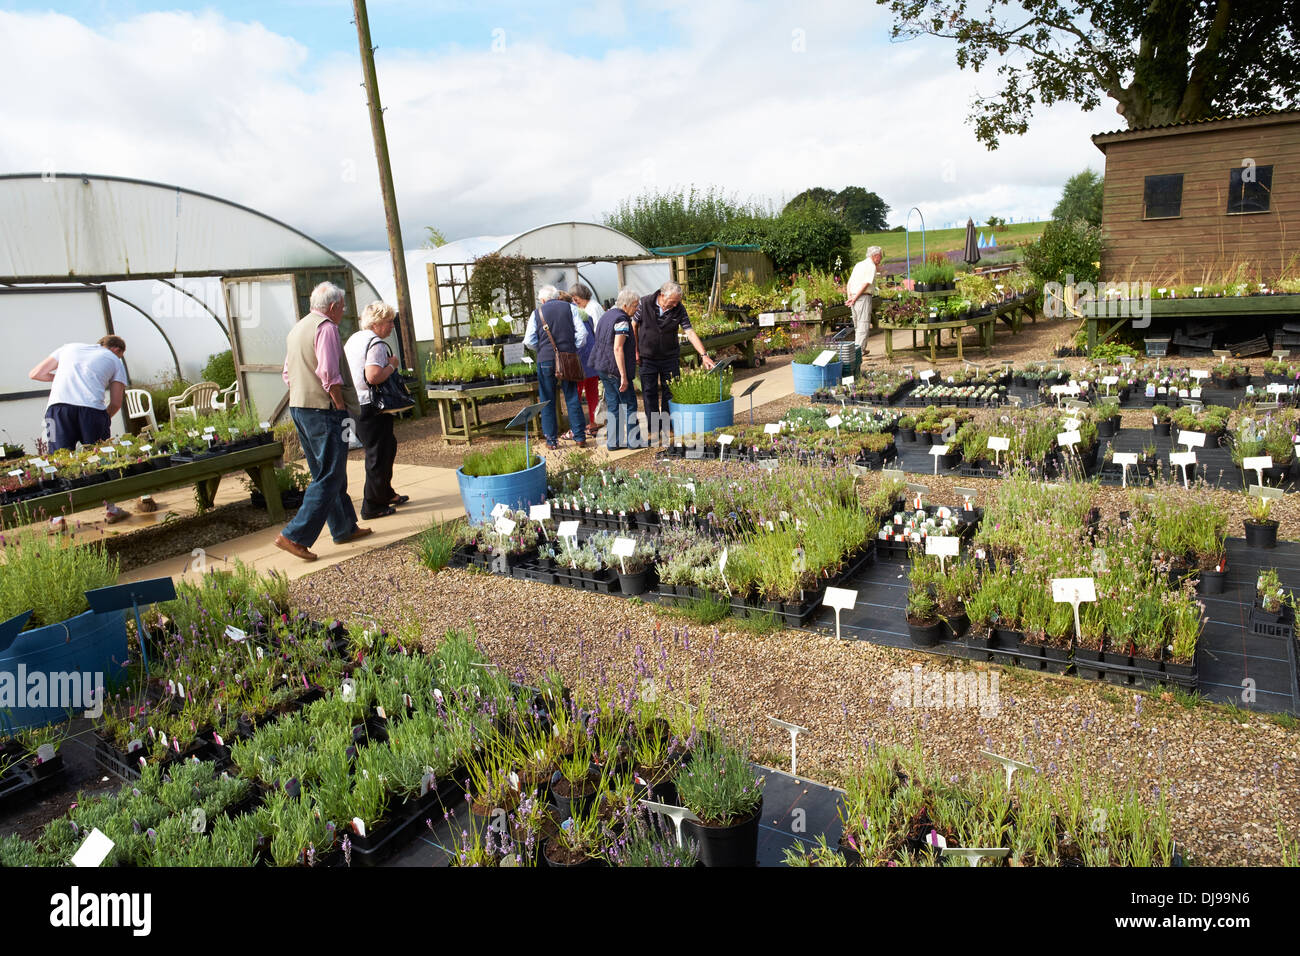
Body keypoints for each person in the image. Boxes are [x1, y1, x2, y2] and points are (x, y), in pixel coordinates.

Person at [275, 282, 371, 561]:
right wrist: (340, 407)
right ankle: (294, 535)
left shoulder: (298, 329)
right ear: (333, 307)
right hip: (325, 410)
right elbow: (329, 374)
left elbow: (287, 374)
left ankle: (343, 528)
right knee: (330, 474)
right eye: (342, 307)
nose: (343, 311)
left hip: (301, 408)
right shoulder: (326, 328)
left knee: (325, 472)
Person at [28, 335, 131, 523]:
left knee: (57, 460)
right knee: (100, 458)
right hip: (92, 411)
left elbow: (35, 373)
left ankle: (57, 518)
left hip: (58, 409)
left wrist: (65, 378)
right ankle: (111, 509)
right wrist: (102, 419)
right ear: (117, 350)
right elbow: (116, 402)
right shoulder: (115, 361)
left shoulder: (68, 348)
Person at [344, 300, 409, 521]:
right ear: (377, 323)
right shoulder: (376, 344)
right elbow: (373, 376)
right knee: (377, 454)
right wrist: (392, 365)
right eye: (389, 321)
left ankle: (385, 492)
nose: (392, 326)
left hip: (355, 403)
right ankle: (372, 506)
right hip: (371, 405)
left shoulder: (354, 339)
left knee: (388, 446)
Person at [632, 280, 714, 443]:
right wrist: (635, 350)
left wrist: (704, 354)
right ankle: (653, 429)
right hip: (647, 357)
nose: (676, 304)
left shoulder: (679, 309)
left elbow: (689, 332)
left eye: (678, 301)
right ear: (662, 295)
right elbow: (633, 325)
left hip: (669, 356)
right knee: (649, 393)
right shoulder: (644, 303)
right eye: (673, 301)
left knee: (670, 391)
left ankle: (668, 426)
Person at [523, 285, 589, 449]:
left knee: (547, 400)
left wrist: (541, 348)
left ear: (543, 300)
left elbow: (529, 340)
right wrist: (572, 347)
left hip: (545, 360)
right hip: (568, 358)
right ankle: (580, 437)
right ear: (556, 296)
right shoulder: (570, 308)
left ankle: (551, 440)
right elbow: (582, 334)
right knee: (572, 396)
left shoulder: (536, 313)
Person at [590, 288, 641, 450]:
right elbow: (618, 348)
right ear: (626, 305)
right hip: (615, 368)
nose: (637, 309)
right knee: (629, 405)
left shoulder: (606, 315)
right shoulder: (622, 320)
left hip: (602, 366)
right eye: (635, 306)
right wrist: (624, 376)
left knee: (613, 406)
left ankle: (613, 442)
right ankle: (634, 441)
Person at [567, 285, 601, 431]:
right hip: (591, 357)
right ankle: (594, 421)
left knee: (577, 393)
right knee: (592, 391)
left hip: (581, 358)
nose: (576, 302)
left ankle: (578, 426)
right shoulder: (588, 312)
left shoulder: (580, 312)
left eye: (577, 299)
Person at [846, 246, 884, 352]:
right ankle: (859, 352)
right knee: (863, 325)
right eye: (880, 256)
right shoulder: (871, 266)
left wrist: (850, 296)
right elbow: (865, 284)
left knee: (858, 326)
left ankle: (859, 349)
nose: (880, 258)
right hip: (862, 297)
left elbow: (849, 282)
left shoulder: (859, 264)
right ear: (875, 256)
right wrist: (854, 299)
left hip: (853, 296)